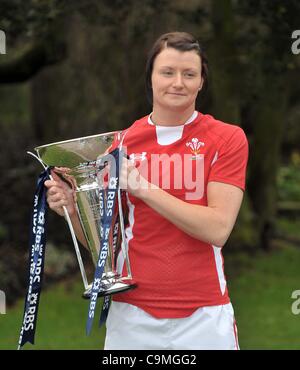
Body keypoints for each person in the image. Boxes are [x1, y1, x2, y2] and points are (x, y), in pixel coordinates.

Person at [45, 31, 248, 350]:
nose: (178, 82)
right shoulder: (119, 144)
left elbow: (218, 228)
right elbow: (106, 251)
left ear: (201, 82)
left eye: (189, 74)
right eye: (167, 72)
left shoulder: (227, 139)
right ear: (151, 78)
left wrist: (144, 188)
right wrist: (73, 209)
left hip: (204, 313)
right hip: (132, 315)